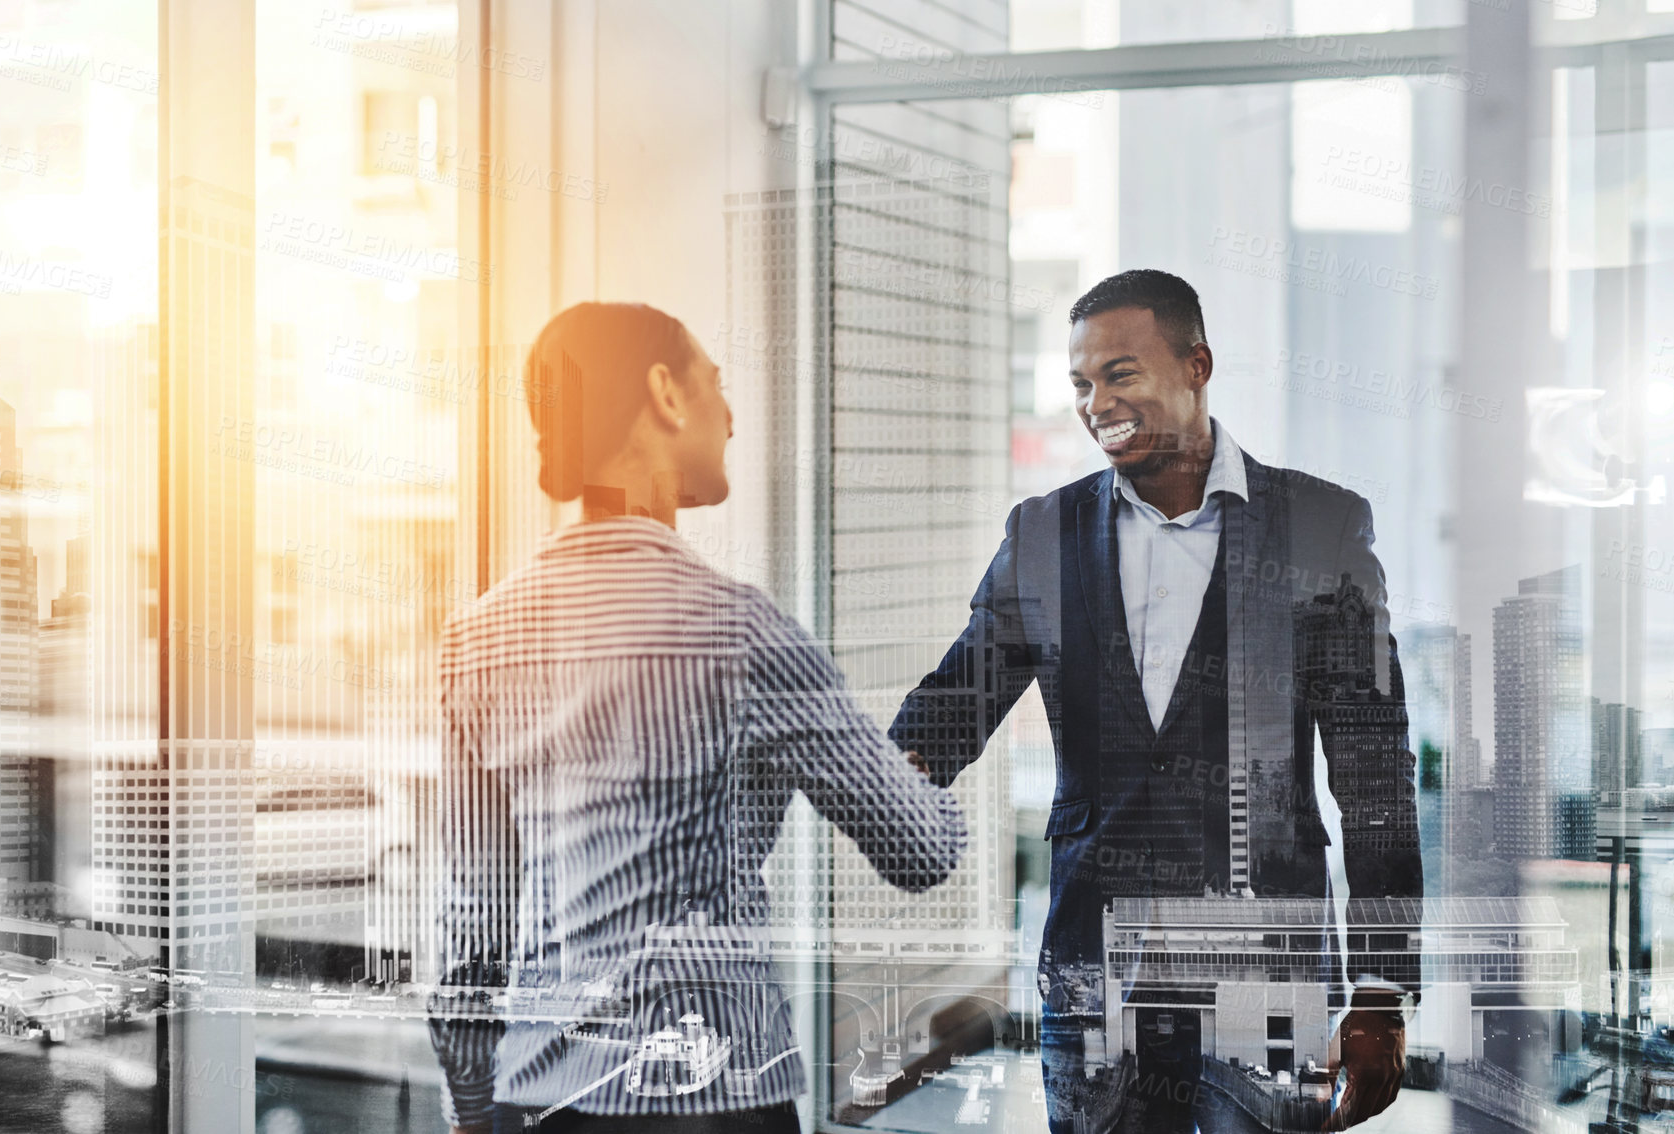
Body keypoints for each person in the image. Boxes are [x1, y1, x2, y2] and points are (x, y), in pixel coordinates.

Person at [889, 270, 1423, 1133]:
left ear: (1196, 365)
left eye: (1120, 373)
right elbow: (959, 696)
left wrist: (1379, 987)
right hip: (1092, 977)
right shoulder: (1042, 534)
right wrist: (882, 766)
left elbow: (1373, 775)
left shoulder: (1320, 527)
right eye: (1080, 383)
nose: (1095, 401)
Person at [428, 302, 964, 1134]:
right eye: (715, 384)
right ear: (663, 395)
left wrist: (471, 1105)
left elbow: (473, 917)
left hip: (536, 1095)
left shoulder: (476, 637)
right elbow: (920, 852)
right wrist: (920, 776)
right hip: (713, 1099)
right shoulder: (740, 631)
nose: (733, 415)